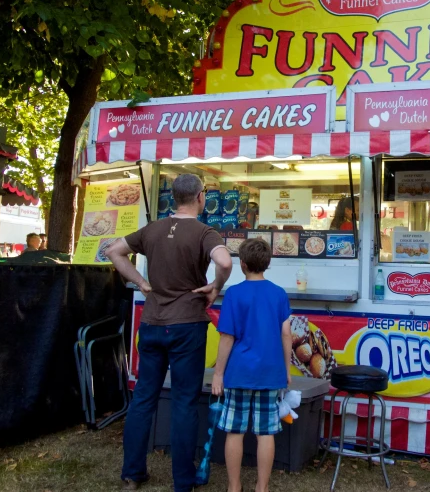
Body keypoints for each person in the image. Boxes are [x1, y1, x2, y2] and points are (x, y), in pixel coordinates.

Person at [106, 174, 233, 492]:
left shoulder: (152, 229)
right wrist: (215, 287)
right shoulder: (205, 232)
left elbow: (114, 251)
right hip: (188, 326)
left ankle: (132, 475)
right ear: (201, 197)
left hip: (151, 325)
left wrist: (141, 282)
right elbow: (225, 261)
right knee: (184, 402)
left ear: (173, 198)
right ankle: (183, 481)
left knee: (143, 398)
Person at [212, 238, 292, 492]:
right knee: (265, 433)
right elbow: (286, 334)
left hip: (238, 373)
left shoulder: (234, 294)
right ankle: (262, 487)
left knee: (234, 431)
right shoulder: (279, 293)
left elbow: (227, 336)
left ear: (242, 264)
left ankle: (234, 486)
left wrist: (218, 373)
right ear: (267, 264)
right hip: (270, 373)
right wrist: (287, 371)